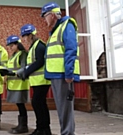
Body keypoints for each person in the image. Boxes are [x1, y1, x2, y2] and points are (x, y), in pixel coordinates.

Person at [41, 2, 80, 135]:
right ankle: (66, 132)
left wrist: (69, 73)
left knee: (65, 108)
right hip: (56, 74)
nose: (44, 20)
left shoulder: (67, 25)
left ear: (52, 15)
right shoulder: (56, 29)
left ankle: (68, 133)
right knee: (62, 108)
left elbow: (71, 49)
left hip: (63, 74)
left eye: (44, 16)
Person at [17, 24, 52, 135]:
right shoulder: (34, 46)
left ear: (31, 35)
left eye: (26, 36)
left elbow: (39, 62)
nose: (24, 39)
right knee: (39, 104)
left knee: (38, 103)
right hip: (37, 81)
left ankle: (44, 129)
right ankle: (41, 128)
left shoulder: (39, 45)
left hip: (42, 81)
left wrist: (26, 72)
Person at [6, 35, 29, 134]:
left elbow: (24, 68)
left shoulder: (22, 54)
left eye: (12, 46)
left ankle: (23, 126)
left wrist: (15, 73)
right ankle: (21, 125)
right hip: (14, 84)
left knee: (21, 105)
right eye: (9, 46)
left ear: (17, 44)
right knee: (19, 105)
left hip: (20, 85)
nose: (10, 48)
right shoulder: (14, 55)